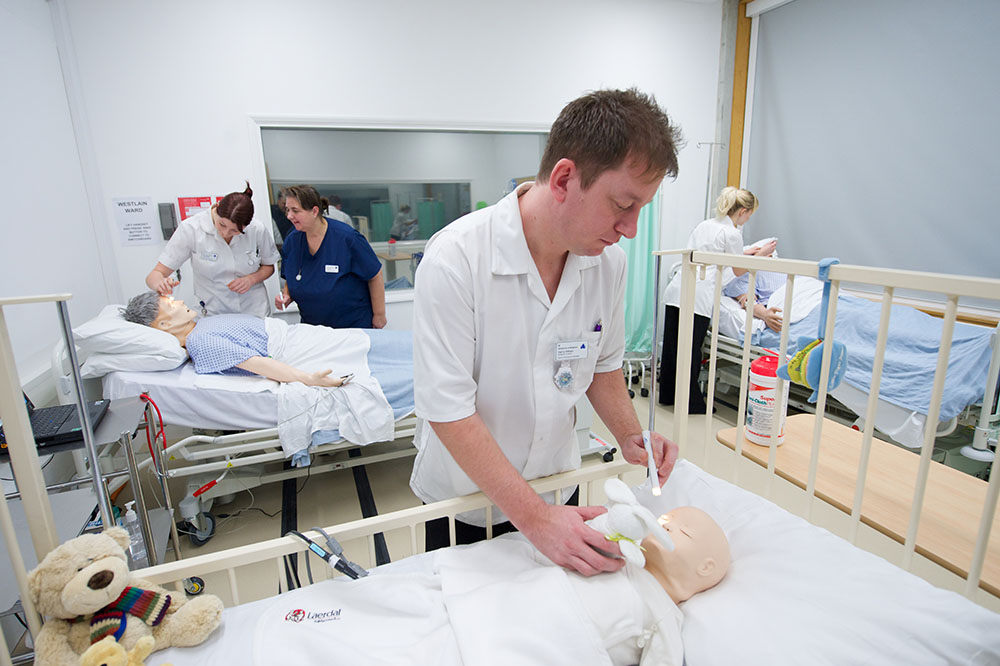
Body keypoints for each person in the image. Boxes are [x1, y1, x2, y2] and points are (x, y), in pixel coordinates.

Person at [410, 88, 682, 576]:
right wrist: (536, 520)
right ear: (563, 179)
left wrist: (630, 435)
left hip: (558, 487)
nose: (631, 228)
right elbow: (449, 412)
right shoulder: (456, 259)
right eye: (623, 204)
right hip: (467, 502)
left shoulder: (608, 265)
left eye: (641, 208)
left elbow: (602, 367)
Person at [247, 504, 729, 666]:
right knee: (417, 627)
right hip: (499, 606)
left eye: (679, 530)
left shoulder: (662, 614)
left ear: (706, 569)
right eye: (665, 517)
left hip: (535, 642)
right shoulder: (621, 560)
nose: (662, 523)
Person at [659, 187, 771, 413]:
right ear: (743, 211)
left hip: (678, 288)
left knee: (673, 347)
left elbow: (715, 254)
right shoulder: (732, 233)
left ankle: (668, 396)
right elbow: (738, 270)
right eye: (750, 214)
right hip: (698, 295)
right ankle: (691, 404)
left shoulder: (705, 225)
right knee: (691, 350)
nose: (748, 219)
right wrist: (760, 255)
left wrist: (745, 253)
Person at [145, 183, 279, 318]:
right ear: (217, 208)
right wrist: (160, 284)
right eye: (222, 224)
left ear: (246, 226)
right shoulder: (191, 229)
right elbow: (155, 275)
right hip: (212, 311)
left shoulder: (257, 229)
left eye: (234, 231)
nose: (225, 233)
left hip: (253, 309)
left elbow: (269, 266)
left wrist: (251, 279)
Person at [275, 185, 387, 329]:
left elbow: (375, 275)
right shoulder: (292, 241)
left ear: (314, 211)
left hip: (352, 327)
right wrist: (286, 296)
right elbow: (291, 277)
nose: (289, 216)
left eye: (295, 211)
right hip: (313, 328)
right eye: (287, 210)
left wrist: (379, 315)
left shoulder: (347, 238)